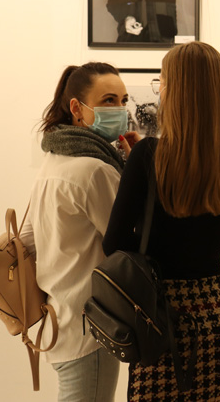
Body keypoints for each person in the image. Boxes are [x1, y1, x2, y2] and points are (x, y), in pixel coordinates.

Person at [104, 41, 220, 402]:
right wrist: (211, 242)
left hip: (162, 318)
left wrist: (164, 241)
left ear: (175, 90)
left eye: (163, 81)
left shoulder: (147, 155)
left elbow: (114, 243)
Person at [20, 62, 139, 402]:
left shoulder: (53, 160)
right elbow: (131, 240)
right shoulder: (95, 169)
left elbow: (27, 239)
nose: (120, 110)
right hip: (91, 327)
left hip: (61, 317)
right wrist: (136, 170)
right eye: (108, 100)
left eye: (123, 100)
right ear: (77, 108)